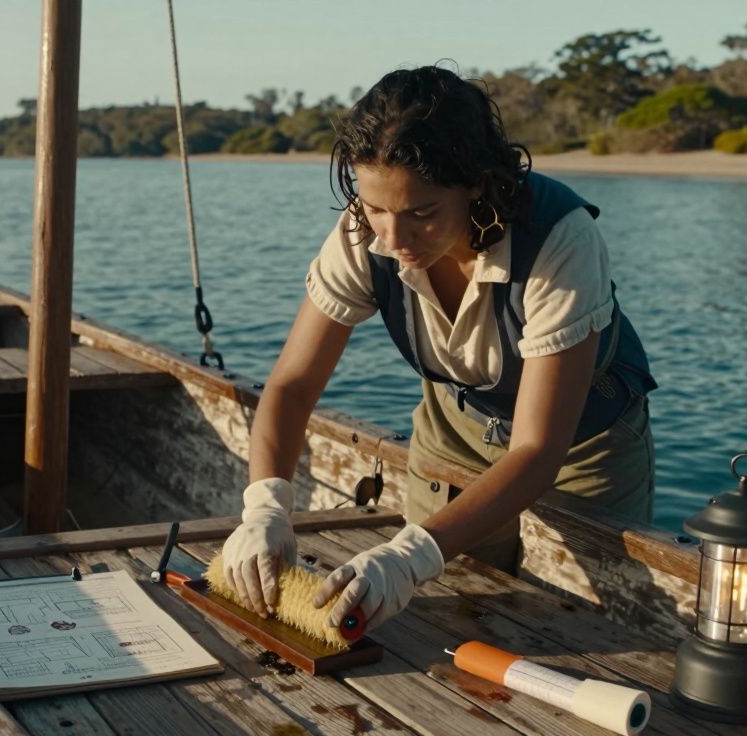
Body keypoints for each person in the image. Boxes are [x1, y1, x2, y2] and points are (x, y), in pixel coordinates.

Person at [220, 65, 658, 632]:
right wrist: (266, 505)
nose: (393, 240)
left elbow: (537, 449)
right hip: (456, 426)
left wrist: (408, 555)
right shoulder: (366, 234)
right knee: (448, 615)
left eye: (422, 214)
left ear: (476, 183)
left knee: (592, 628)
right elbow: (292, 385)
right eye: (374, 208)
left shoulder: (559, 241)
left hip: (583, 445)